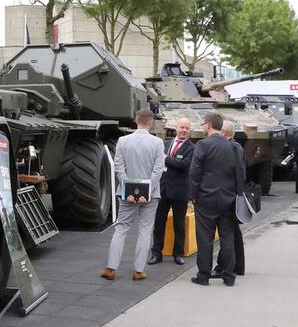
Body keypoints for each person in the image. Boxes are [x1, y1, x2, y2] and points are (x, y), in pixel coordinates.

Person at [102, 109, 166, 281]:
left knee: (121, 229)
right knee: (145, 231)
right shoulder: (158, 143)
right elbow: (158, 169)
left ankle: (110, 268)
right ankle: (138, 270)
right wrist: (148, 188)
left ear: (136, 121)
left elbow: (118, 167)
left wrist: (128, 188)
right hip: (151, 195)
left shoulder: (123, 141)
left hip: (126, 194)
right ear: (151, 122)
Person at [189, 112, 238, 287]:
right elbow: (237, 172)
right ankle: (229, 276)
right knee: (227, 237)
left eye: (203, 124)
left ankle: (204, 275)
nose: (203, 127)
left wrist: (193, 197)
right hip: (228, 198)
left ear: (209, 125)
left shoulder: (203, 145)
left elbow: (195, 173)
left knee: (205, 238)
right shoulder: (231, 146)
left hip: (206, 198)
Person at [149, 117, 194, 266]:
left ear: (189, 130)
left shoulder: (191, 148)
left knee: (179, 224)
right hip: (163, 190)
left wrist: (166, 159)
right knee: (159, 222)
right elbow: (156, 161)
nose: (184, 130)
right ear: (176, 127)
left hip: (180, 192)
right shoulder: (165, 143)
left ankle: (178, 253)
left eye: (187, 128)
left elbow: (185, 164)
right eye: (181, 127)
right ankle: (156, 253)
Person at [213, 120, 246, 278]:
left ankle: (224, 266)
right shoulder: (237, 147)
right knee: (234, 233)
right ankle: (238, 266)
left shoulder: (232, 147)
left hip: (229, 196)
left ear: (224, 133)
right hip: (235, 195)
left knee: (228, 234)